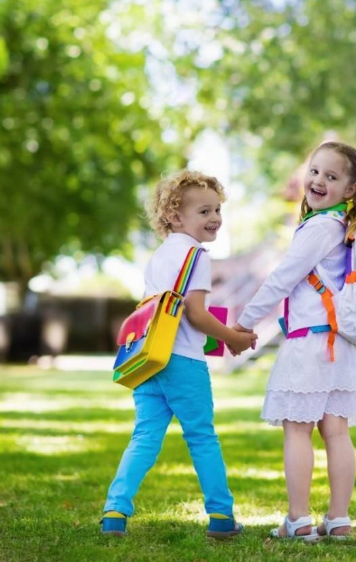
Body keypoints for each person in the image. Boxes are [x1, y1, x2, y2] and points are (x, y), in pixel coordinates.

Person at [234, 142, 356, 541]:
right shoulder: (345, 227)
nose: (317, 180)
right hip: (341, 343)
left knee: (297, 430)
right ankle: (338, 519)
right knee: (337, 431)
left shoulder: (319, 227)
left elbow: (283, 277)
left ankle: (298, 520)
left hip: (312, 344)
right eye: (314, 171)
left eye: (331, 177)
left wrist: (244, 323)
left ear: (351, 189)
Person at [101, 170, 256, 539]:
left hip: (149, 361)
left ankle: (114, 511)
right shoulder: (196, 256)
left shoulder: (159, 256)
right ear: (174, 216)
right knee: (202, 436)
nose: (215, 218)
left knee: (144, 436)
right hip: (183, 360)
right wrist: (232, 339)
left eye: (217, 209)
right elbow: (196, 314)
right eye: (204, 211)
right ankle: (221, 517)